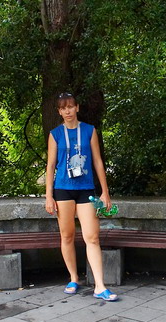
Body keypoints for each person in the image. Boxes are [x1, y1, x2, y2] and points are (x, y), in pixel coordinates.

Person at [45, 92, 118, 302]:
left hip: (86, 188)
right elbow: (51, 165)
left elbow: (97, 161)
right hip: (63, 189)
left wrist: (105, 192)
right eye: (63, 108)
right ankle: (74, 278)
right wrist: (48, 196)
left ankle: (100, 286)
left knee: (92, 237)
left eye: (70, 106)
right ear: (59, 112)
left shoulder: (89, 130)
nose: (67, 111)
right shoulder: (55, 134)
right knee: (67, 236)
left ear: (77, 107)